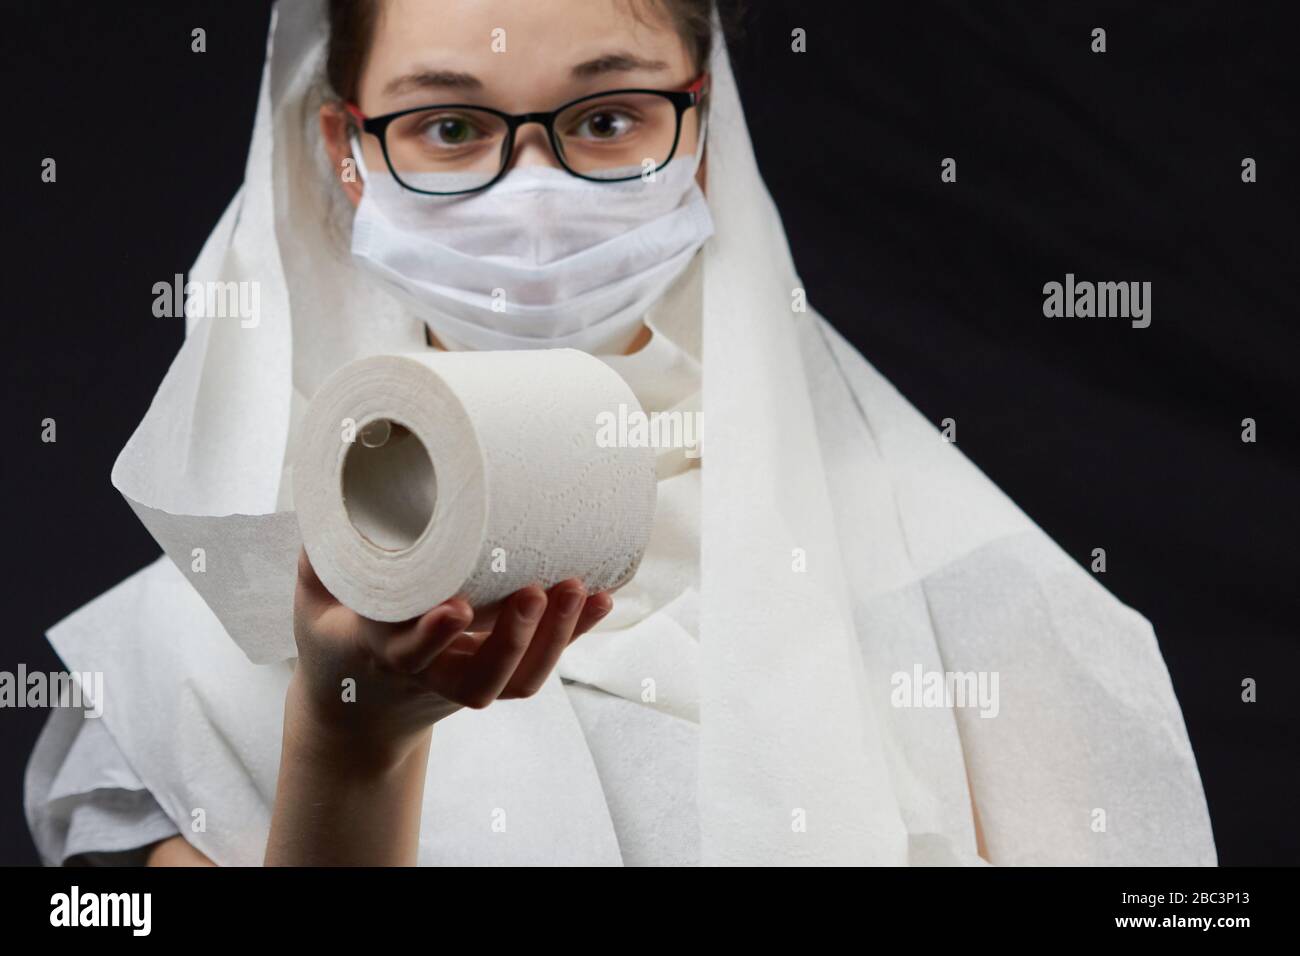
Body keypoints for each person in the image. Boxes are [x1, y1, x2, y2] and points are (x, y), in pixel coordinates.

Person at [26, 0, 1216, 867]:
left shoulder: (963, 601)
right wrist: (348, 754)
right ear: (347, 151)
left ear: (698, 125)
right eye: (448, 127)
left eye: (605, 117)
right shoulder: (184, 652)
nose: (531, 195)